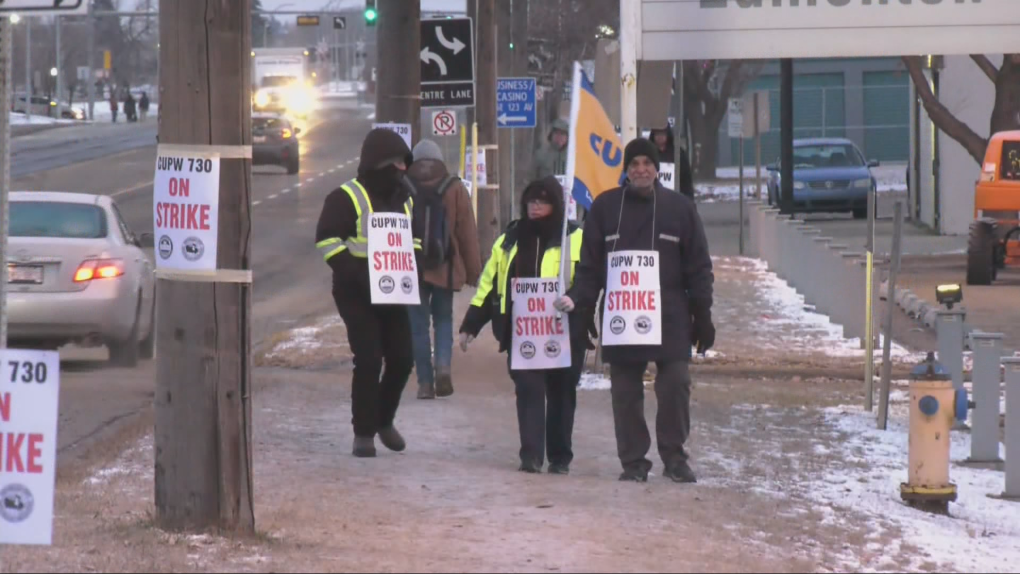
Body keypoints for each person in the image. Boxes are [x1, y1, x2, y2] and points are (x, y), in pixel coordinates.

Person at [554, 138, 715, 484]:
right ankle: (633, 461)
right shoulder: (605, 208)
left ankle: (674, 456)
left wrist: (703, 315)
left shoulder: (680, 209)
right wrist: (578, 299)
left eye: (647, 163)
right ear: (625, 170)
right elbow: (591, 266)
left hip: (670, 313)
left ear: (657, 168)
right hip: (621, 315)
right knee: (625, 390)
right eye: (634, 164)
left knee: (675, 383)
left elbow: (699, 267)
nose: (641, 169)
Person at [459, 176, 595, 475]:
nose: (536, 207)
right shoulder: (509, 241)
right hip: (524, 332)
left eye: (543, 202)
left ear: (556, 204)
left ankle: (560, 457)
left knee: (561, 394)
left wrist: (575, 297)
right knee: (529, 390)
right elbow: (489, 285)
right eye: (532, 201)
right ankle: (531, 455)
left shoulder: (576, 237)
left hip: (566, 331)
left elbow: (591, 277)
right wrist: (471, 324)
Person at [314, 128, 423, 458]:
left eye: (406, 164)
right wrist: (357, 273)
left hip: (392, 291)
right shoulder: (345, 197)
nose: (403, 170)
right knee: (369, 358)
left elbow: (412, 239)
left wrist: (412, 261)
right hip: (355, 292)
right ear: (380, 164)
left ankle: (383, 420)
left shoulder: (405, 198)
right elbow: (327, 240)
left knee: (403, 358)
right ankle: (363, 432)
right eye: (397, 164)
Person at [406, 139, 483, 400]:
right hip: (445, 266)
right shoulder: (454, 187)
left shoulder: (403, 186)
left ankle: (425, 384)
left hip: (411, 269)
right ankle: (443, 367)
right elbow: (467, 234)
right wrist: (473, 271)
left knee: (417, 327)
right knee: (442, 320)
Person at [649, 125, 696, 200]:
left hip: (674, 196)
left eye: (662, 133)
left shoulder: (678, 153)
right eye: (657, 133)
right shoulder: (648, 152)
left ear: (668, 134)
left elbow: (686, 179)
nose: (660, 137)